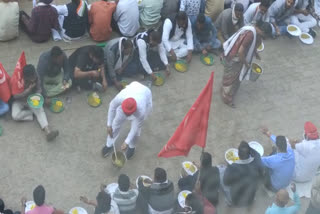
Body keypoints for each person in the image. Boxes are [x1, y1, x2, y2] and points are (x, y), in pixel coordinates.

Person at [220, 21, 272, 107]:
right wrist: (246, 64)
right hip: (236, 58)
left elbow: (252, 45)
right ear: (261, 31)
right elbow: (240, 52)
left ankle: (224, 89)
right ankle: (227, 98)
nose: (263, 38)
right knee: (233, 78)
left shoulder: (253, 30)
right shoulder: (250, 35)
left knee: (230, 76)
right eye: (263, 36)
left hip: (235, 55)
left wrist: (256, 53)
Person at [102, 81, 152, 159]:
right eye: (125, 112)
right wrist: (109, 125)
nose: (127, 115)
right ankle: (109, 144)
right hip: (134, 87)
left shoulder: (141, 111)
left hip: (145, 95)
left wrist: (126, 142)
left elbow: (135, 127)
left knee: (137, 131)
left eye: (128, 113)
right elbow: (112, 107)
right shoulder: (121, 97)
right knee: (115, 124)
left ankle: (132, 147)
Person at [11, 65, 59, 141]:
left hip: (31, 98)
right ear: (25, 77)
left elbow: (39, 88)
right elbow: (15, 96)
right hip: (19, 101)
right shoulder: (17, 80)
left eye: (34, 75)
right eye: (31, 77)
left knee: (39, 110)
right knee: (15, 116)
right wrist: (28, 90)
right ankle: (33, 113)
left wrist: (37, 96)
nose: (33, 79)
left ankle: (48, 131)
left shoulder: (36, 74)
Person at [220, 141, 263, 206]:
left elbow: (226, 182)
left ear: (238, 155)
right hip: (251, 196)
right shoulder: (256, 162)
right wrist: (248, 148)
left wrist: (228, 167)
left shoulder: (232, 167)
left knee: (221, 172)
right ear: (249, 153)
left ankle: (230, 201)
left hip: (237, 198)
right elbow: (257, 155)